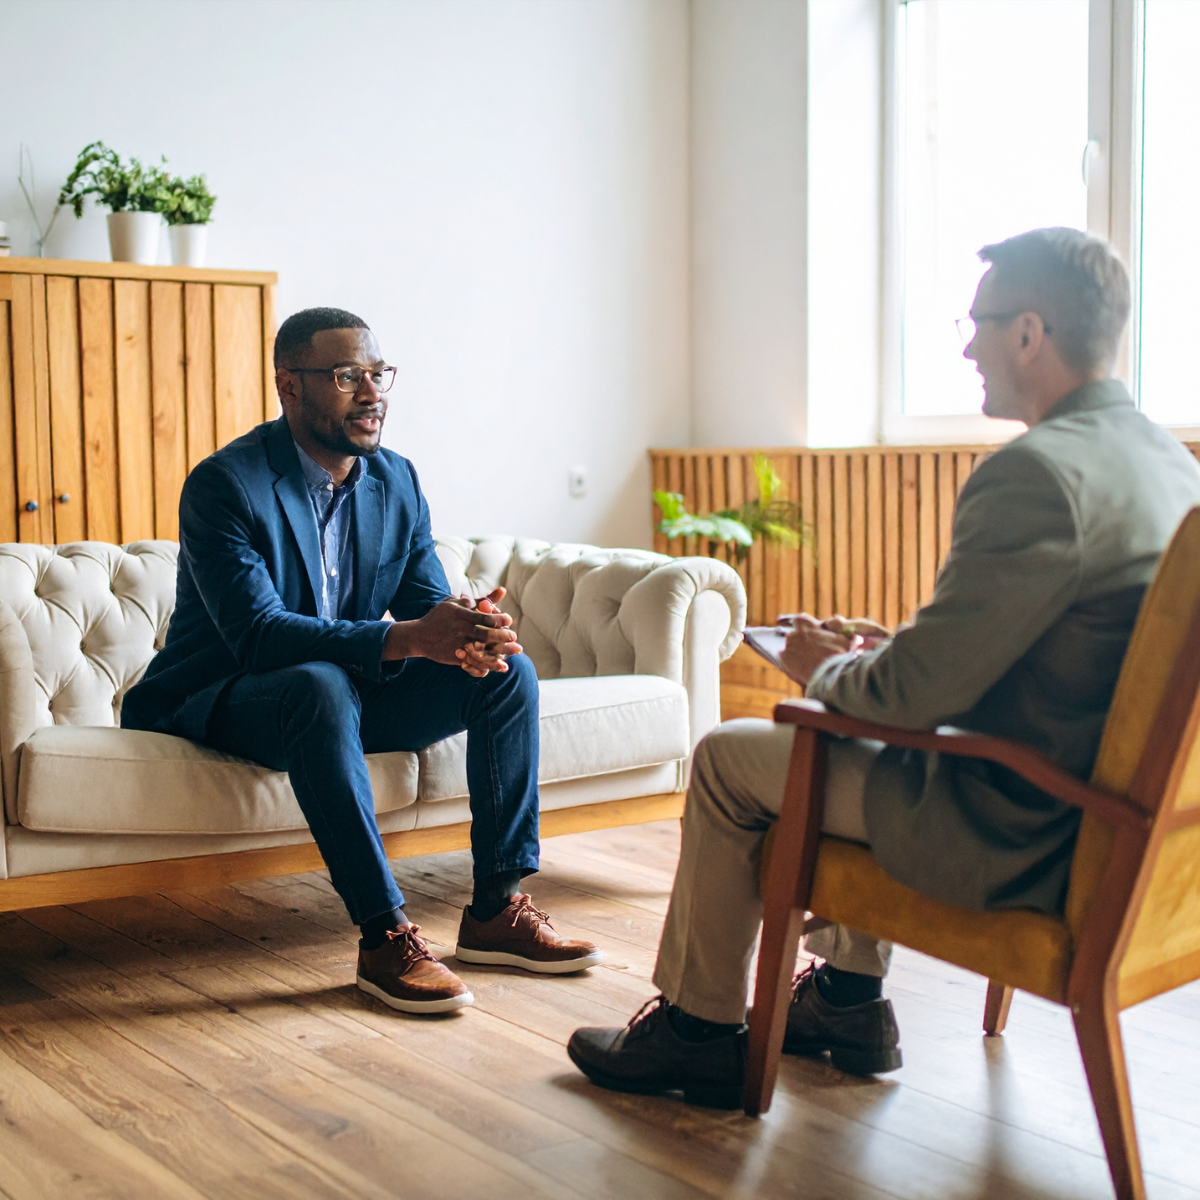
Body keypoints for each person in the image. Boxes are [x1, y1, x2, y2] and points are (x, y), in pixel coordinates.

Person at [567, 227, 1200, 1107]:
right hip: (1114, 817)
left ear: (1029, 332)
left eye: (976, 322)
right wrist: (893, 648)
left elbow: (902, 703)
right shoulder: (1168, 463)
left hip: (1011, 826)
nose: (967, 343)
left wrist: (829, 668)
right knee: (853, 720)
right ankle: (844, 1000)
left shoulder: (1036, 476)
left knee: (729, 759)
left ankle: (699, 1031)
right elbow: (1046, 649)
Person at [123, 307, 601, 1015]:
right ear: (290, 387)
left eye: (379, 374)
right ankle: (385, 936)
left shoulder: (395, 480)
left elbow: (420, 601)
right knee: (316, 685)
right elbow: (258, 635)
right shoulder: (227, 484)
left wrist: (469, 632)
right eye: (347, 376)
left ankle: (497, 909)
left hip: (339, 694)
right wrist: (409, 638)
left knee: (508, 676)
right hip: (223, 695)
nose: (372, 393)